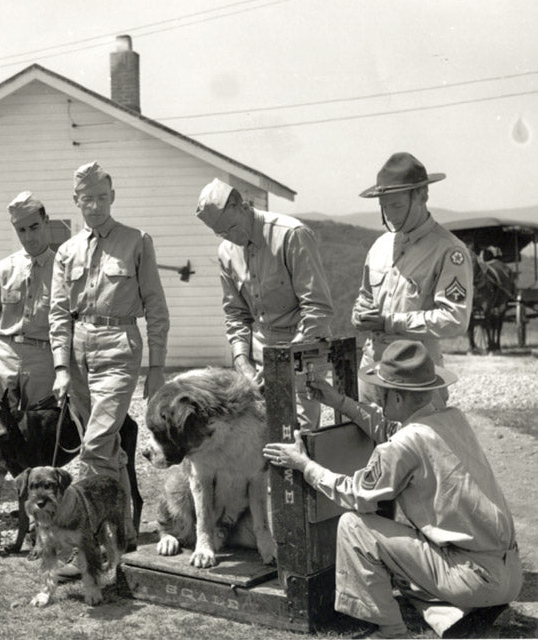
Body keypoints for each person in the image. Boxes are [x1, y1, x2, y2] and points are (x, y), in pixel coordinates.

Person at [263, 339, 521, 638]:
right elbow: (394, 430)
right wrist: (340, 402)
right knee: (406, 561)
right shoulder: (452, 418)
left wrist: (304, 465)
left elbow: (355, 494)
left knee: (354, 527)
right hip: (508, 574)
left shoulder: (404, 444)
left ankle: (391, 630)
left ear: (397, 397)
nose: (377, 397)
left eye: (382, 393)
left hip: (471, 576)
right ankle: (459, 614)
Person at [50, 161, 169, 547]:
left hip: (119, 346)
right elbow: (58, 313)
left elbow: (156, 307)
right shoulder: (66, 251)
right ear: (76, 200)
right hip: (78, 352)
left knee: (95, 446)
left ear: (113, 197)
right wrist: (61, 367)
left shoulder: (136, 241)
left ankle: (85, 540)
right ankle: (123, 533)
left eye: (102, 198)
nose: (96, 206)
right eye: (88, 199)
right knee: (111, 448)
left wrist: (156, 367)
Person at [196, 177, 333, 429]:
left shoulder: (291, 235)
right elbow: (236, 315)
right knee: (266, 433)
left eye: (230, 228)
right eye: (220, 233)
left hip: (303, 350)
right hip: (262, 355)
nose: (229, 238)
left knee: (301, 435)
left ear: (241, 206)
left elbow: (318, 309)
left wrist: (283, 361)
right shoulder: (226, 252)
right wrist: (242, 361)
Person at [0, 191, 57, 559]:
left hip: (44, 363)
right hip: (3, 362)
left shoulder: (64, 269)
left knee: (36, 449)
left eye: (34, 227)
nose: (29, 236)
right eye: (21, 230)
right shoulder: (2, 270)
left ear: (46, 222)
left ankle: (39, 528)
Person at [353, 152, 473, 406]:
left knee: (417, 433)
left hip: (416, 377)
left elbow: (455, 319)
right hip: (372, 370)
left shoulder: (448, 250)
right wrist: (359, 313)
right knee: (365, 431)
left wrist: (390, 322)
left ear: (422, 195)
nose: (390, 215)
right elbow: (364, 297)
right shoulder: (380, 246)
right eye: (384, 206)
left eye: (396, 206)